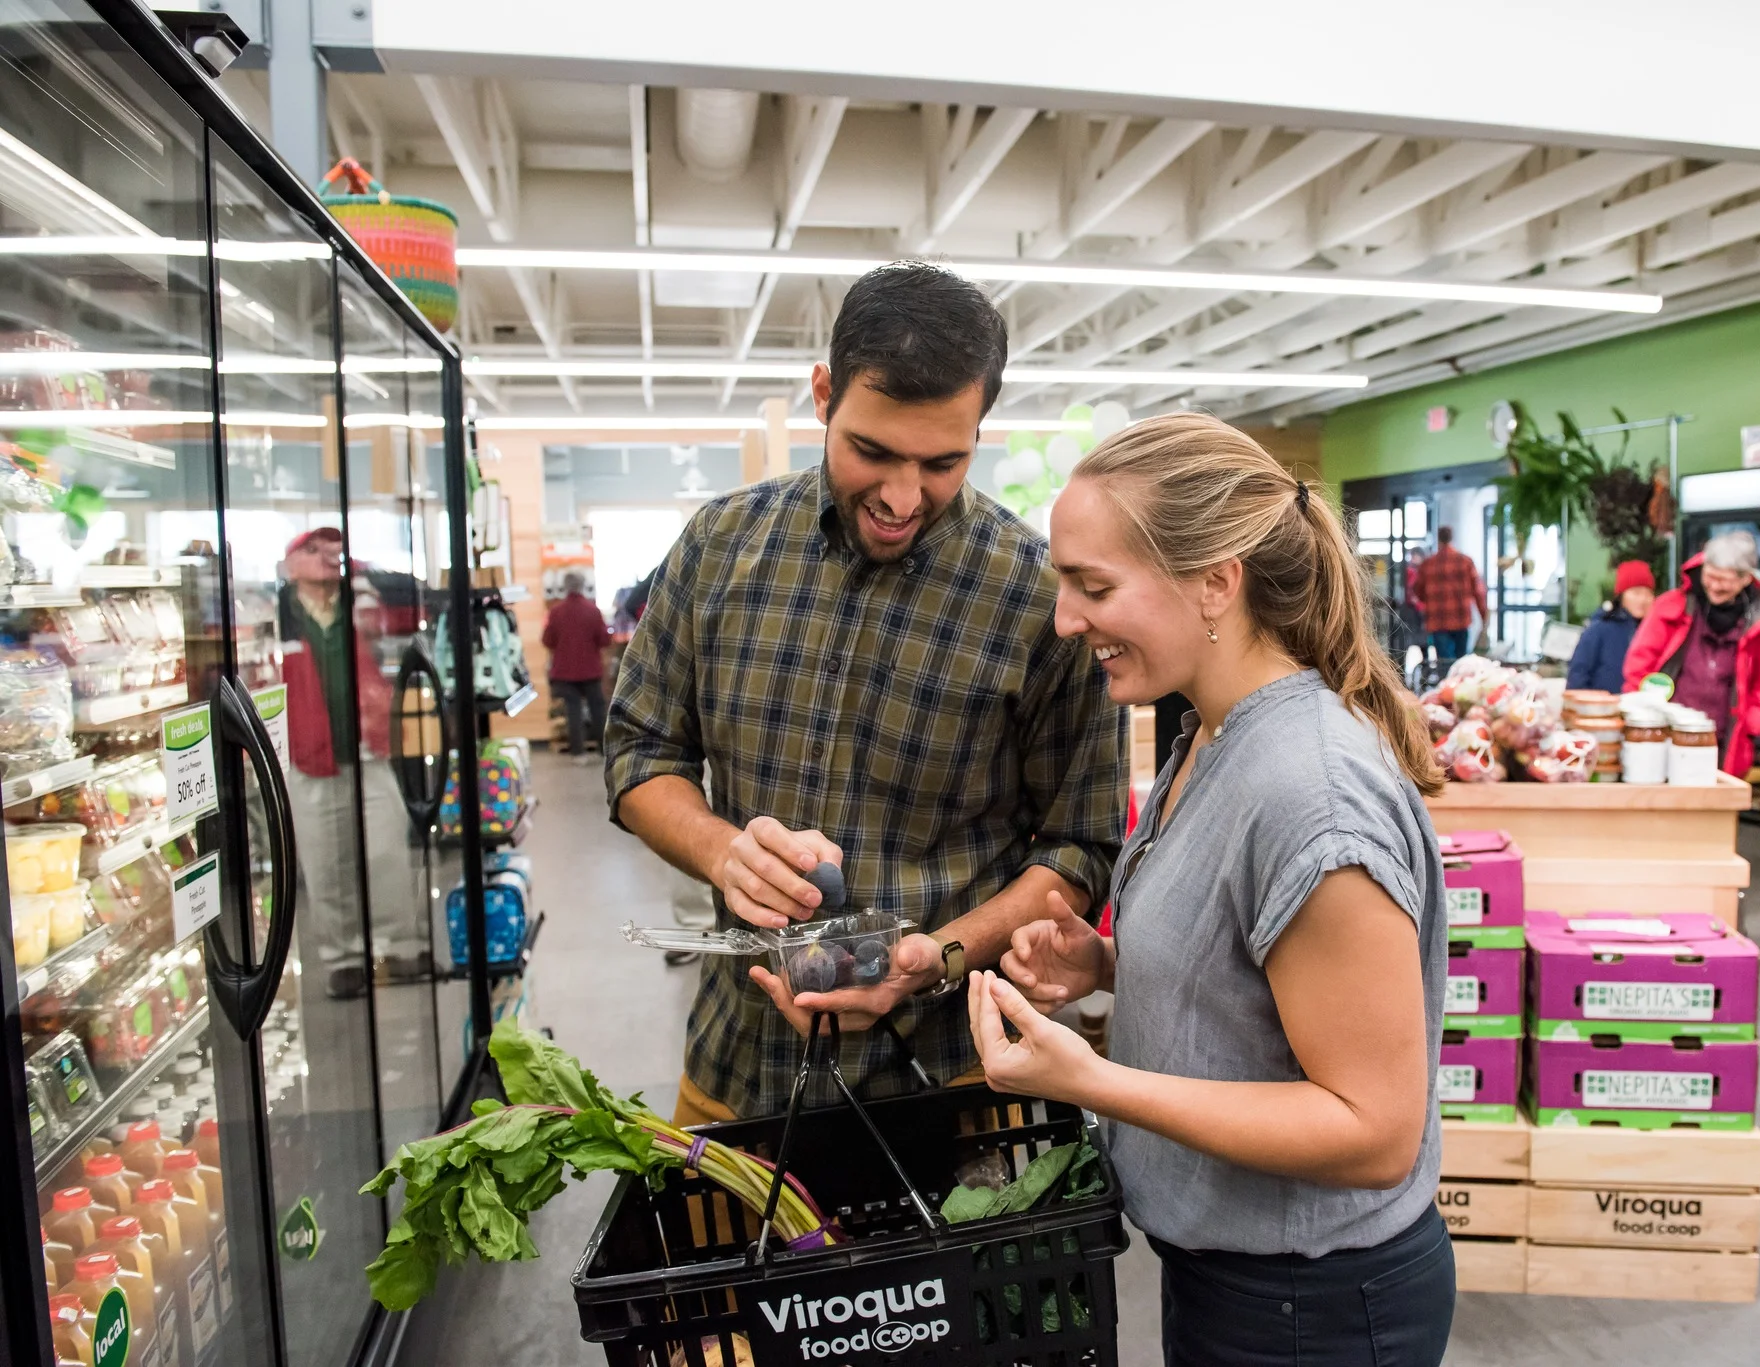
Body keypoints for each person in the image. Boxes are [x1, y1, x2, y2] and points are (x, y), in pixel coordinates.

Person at [969, 414, 1455, 1366]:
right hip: (1237, 1282)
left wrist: (1093, 1080)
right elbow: (1258, 972)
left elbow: (1373, 1130)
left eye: (1094, 586)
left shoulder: (1310, 793)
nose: (1066, 621)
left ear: (1215, 584)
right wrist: (1108, 963)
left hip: (1311, 1311)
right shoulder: (1211, 732)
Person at [605, 261, 1127, 1122]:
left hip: (958, 1083)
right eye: (872, 451)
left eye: (941, 462)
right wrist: (720, 850)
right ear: (823, 394)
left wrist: (941, 954)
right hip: (739, 1071)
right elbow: (638, 751)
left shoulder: (1037, 598)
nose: (899, 496)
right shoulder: (720, 546)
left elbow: (1081, 846)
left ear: (981, 430)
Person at [275, 526, 426, 999]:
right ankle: (343, 959)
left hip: (370, 750)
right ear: (290, 562)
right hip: (309, 757)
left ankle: (399, 948)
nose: (328, 558)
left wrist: (366, 586)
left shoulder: (362, 602)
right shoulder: (275, 615)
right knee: (326, 862)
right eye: (314, 550)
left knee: (387, 852)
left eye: (334, 550)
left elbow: (414, 615)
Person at [1623, 531, 1760, 776]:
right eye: (1709, 576)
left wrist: (1755, 719)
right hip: (1666, 730)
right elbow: (1639, 661)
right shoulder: (1672, 606)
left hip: (1726, 737)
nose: (1714, 586)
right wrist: (1640, 710)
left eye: (1723, 580)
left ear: (1746, 579)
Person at [541, 569, 609, 761]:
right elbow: (604, 639)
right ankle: (603, 750)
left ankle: (578, 753)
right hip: (590, 669)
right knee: (597, 709)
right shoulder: (593, 610)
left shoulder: (555, 612)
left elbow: (547, 640)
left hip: (565, 670)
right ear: (582, 586)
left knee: (573, 711)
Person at [1565, 558, 1655, 692]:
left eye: (1648, 594)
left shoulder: (1655, 632)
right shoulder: (1599, 629)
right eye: (1636, 593)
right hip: (1602, 710)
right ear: (1621, 596)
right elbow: (1578, 675)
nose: (1642, 600)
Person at [1412, 525, 1488, 663]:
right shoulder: (1465, 562)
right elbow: (1478, 591)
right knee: (1461, 663)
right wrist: (1484, 616)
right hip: (1462, 620)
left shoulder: (1428, 564)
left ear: (1438, 539)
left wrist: (1432, 600)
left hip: (1438, 621)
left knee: (1445, 664)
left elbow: (1418, 591)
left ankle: (1446, 683)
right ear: (1451, 538)